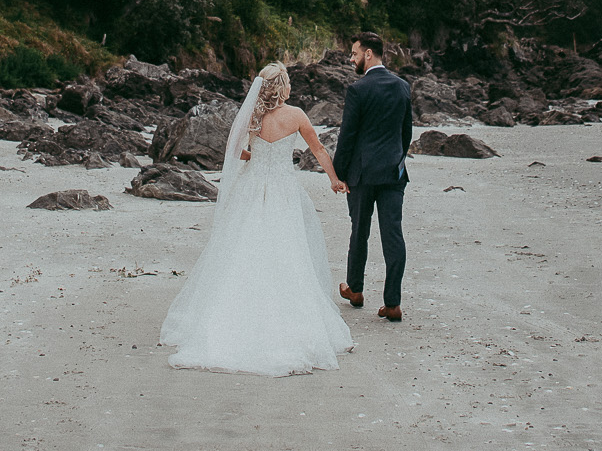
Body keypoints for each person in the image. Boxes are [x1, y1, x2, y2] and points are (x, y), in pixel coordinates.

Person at [159, 62, 355, 376]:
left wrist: (257, 156)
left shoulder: (252, 116)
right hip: (283, 191)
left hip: (252, 189)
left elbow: (235, 150)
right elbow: (318, 149)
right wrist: (333, 179)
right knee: (287, 252)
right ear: (285, 88)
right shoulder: (297, 116)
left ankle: (232, 319)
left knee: (243, 249)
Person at [331, 31, 412, 321]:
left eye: (354, 53)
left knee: (359, 232)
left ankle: (355, 289)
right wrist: (396, 162)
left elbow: (347, 137)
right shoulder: (402, 86)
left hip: (362, 174)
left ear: (368, 54)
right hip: (393, 173)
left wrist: (338, 174)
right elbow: (406, 134)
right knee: (393, 236)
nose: (351, 58)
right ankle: (392, 303)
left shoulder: (358, 90)